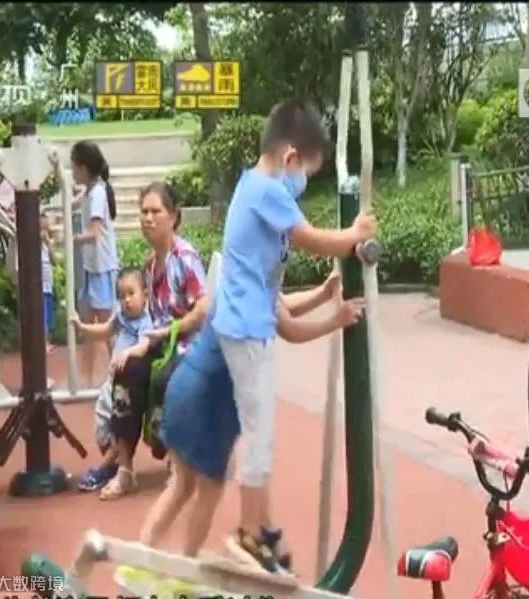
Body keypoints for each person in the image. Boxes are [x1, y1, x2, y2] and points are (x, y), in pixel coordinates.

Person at [213, 98, 377, 572]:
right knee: (259, 437)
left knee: (261, 432)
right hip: (245, 329)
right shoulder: (268, 190)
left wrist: (329, 306)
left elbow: (285, 317)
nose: (302, 182)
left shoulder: (253, 186)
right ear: (289, 158)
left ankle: (261, 530)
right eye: (305, 171)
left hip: (249, 325)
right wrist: (354, 232)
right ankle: (249, 535)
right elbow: (314, 240)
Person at [139, 270, 363, 560]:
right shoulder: (256, 283)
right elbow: (289, 327)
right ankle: (186, 558)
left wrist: (322, 293)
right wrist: (335, 321)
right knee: (208, 490)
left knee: (181, 485)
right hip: (210, 400)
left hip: (187, 383)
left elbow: (283, 306)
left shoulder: (241, 275)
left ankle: (145, 549)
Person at [83, 182, 210, 500]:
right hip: (157, 345)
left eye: (156, 211)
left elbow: (204, 309)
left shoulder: (185, 258)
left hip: (187, 345)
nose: (148, 218)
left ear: (173, 216)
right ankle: (125, 469)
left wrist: (171, 330)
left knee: (169, 377)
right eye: (144, 212)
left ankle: (177, 459)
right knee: (125, 370)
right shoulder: (150, 266)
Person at [72, 267, 154, 495]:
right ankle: (113, 463)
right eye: (121, 295)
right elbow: (106, 330)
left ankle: (106, 466)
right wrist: (83, 328)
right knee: (102, 427)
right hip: (110, 383)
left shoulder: (145, 322)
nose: (126, 300)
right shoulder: (121, 316)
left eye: (131, 293)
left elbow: (144, 345)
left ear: (145, 295)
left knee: (118, 423)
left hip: (125, 383)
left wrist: (128, 353)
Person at [70, 141, 120, 388]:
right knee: (88, 326)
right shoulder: (91, 190)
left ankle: (119, 375)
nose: (72, 172)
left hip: (102, 268)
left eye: (74, 167)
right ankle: (88, 381)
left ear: (84, 168)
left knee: (108, 328)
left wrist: (71, 239)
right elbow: (76, 200)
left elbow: (94, 233)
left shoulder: (98, 192)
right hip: (92, 267)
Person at [41, 212, 56, 355]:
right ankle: (43, 342)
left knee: (49, 316)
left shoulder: (48, 242)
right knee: (43, 316)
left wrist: (48, 243)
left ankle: (48, 341)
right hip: (39, 285)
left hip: (48, 285)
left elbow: (54, 260)